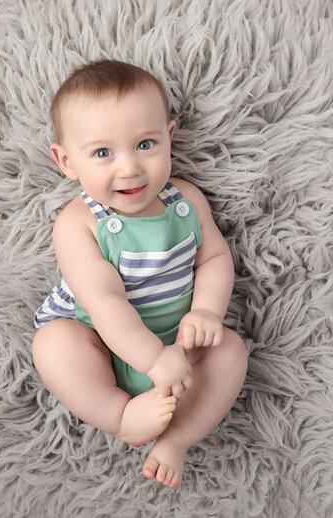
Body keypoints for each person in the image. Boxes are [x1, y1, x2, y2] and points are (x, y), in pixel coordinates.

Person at [32, 59, 248, 490]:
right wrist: (152, 360)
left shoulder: (186, 200)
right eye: (102, 153)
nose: (129, 168)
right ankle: (121, 416)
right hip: (101, 340)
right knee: (53, 346)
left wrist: (205, 312)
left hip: (178, 343)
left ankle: (177, 439)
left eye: (145, 145)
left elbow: (214, 259)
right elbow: (104, 301)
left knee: (232, 351)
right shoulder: (79, 224)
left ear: (169, 137)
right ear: (67, 161)